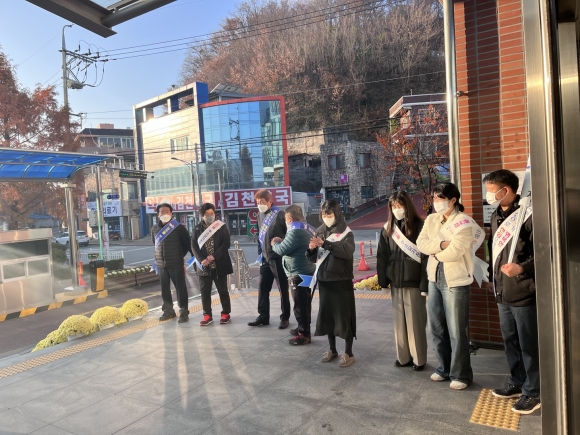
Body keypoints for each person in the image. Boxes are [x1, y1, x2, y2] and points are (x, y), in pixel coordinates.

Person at [484, 170, 540, 414]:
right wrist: (491, 277)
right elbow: (493, 249)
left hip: (524, 290)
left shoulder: (528, 214)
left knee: (529, 344)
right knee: (510, 341)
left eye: (491, 190)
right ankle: (517, 382)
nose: (488, 195)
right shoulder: (496, 214)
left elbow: (543, 251)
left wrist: (522, 268)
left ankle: (533, 391)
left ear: (505, 190)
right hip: (502, 290)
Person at [417, 182, 475, 390]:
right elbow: (421, 243)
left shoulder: (464, 222)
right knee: (436, 327)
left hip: (455, 280)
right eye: (434, 198)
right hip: (434, 278)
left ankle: (461, 374)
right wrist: (441, 245)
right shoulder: (432, 219)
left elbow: (456, 251)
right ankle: (444, 368)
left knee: (457, 330)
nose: (436, 202)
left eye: (440, 198)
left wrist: (435, 251)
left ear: (453, 200)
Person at [377, 191, 428, 371]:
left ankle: (419, 359)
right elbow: (382, 256)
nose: (397, 209)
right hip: (396, 281)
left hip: (414, 281)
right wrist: (383, 281)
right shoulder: (387, 229)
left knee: (415, 322)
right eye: (394, 206)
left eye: (400, 205)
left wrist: (424, 284)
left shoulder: (420, 226)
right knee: (399, 323)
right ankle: (403, 357)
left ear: (407, 205)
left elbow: (425, 257)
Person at [307, 200, 356, 367]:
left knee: (344, 317)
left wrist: (326, 244)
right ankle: (332, 349)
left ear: (337, 213)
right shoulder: (320, 231)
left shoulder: (345, 231)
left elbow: (347, 251)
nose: (326, 217)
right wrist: (311, 250)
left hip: (341, 280)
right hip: (324, 280)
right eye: (324, 214)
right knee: (328, 317)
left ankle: (348, 353)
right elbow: (314, 258)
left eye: (329, 214)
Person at [271, 205, 317, 345]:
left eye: (286, 219)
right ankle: (303, 327)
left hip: (298, 273)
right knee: (305, 302)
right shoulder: (306, 228)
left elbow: (282, 250)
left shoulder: (296, 231)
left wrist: (274, 244)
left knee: (300, 304)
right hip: (307, 271)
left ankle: (304, 334)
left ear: (290, 219)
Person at [248, 189, 291, 329]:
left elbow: (289, 234)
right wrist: (260, 254)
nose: (259, 204)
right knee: (262, 287)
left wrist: (281, 242)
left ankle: (285, 317)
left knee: (282, 288)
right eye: (257, 202)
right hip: (265, 259)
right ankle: (263, 316)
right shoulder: (259, 215)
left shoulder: (280, 214)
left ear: (270, 201)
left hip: (278, 258)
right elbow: (259, 238)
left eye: (262, 202)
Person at [191, 203, 233, 326]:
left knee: (223, 291)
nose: (210, 216)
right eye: (207, 214)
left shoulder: (220, 226)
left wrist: (214, 256)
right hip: (204, 266)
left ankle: (225, 313)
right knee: (205, 292)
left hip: (219, 264)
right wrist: (201, 259)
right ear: (202, 216)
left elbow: (226, 244)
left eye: (212, 213)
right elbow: (193, 246)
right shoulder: (197, 229)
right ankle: (207, 315)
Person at [151, 203, 192, 323]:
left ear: (171, 213)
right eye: (162, 212)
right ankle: (168, 311)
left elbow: (186, 244)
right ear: (158, 215)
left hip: (176, 263)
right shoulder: (154, 229)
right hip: (161, 264)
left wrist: (179, 256)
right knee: (165, 289)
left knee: (180, 288)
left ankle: (183, 312)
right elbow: (155, 243)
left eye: (167, 211)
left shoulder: (179, 228)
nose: (164, 214)